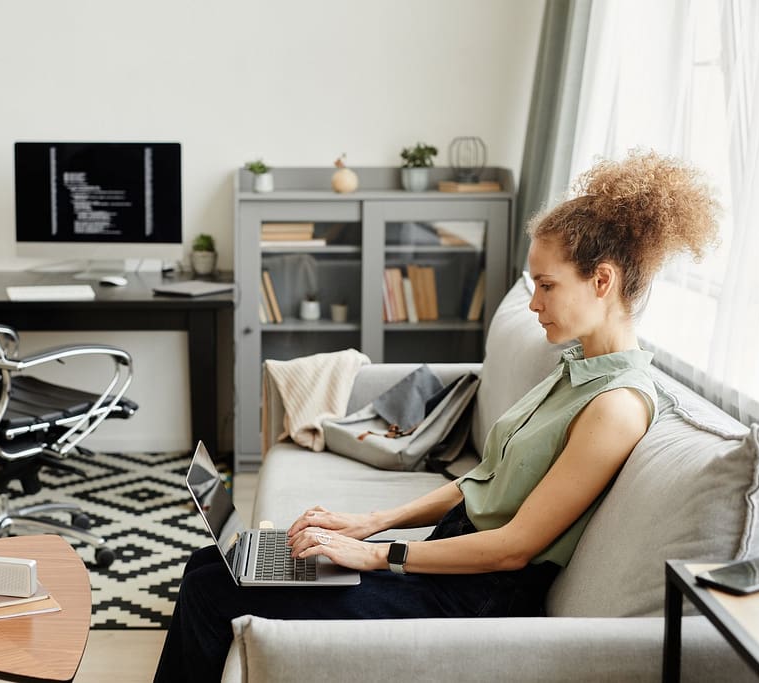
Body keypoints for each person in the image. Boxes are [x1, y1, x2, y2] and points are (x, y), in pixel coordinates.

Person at [154, 150, 720, 682]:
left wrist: (374, 556)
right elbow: (480, 482)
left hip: (473, 598)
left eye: (547, 285)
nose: (533, 302)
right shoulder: (575, 369)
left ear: (602, 281)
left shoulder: (616, 407)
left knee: (216, 590)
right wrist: (369, 522)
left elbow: (514, 547)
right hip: (446, 562)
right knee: (214, 562)